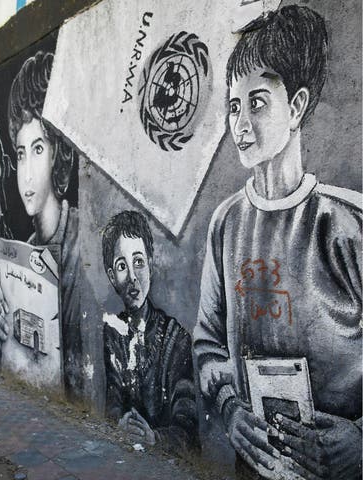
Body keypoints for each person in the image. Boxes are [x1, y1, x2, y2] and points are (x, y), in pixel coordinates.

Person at [193, 6, 362, 480]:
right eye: (233, 105)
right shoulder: (225, 225)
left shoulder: (346, 225)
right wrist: (228, 409)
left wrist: (360, 442)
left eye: (258, 102)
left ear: (297, 106)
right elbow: (207, 342)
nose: (241, 122)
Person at [0, 50, 82, 393]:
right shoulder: (25, 255)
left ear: (59, 151)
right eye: (21, 152)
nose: (26, 173)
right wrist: (6, 333)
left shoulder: (80, 245)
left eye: (39, 149)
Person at [101, 210, 198, 452]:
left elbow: (187, 429)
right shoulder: (113, 334)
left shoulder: (176, 340)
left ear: (151, 265)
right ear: (112, 277)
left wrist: (154, 438)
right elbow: (112, 405)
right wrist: (120, 424)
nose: (133, 277)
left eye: (139, 262)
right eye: (122, 266)